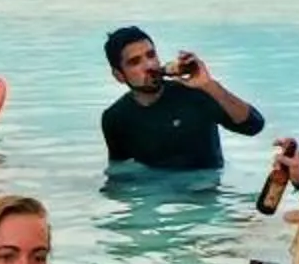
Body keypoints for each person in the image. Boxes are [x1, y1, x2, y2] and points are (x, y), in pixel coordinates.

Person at [100, 26, 265, 174]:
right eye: (135, 62)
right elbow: (119, 173)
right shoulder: (116, 117)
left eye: (151, 55)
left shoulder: (194, 93)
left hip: (205, 195)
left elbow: (254, 125)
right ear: (119, 75)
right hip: (155, 195)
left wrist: (209, 85)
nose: (149, 65)